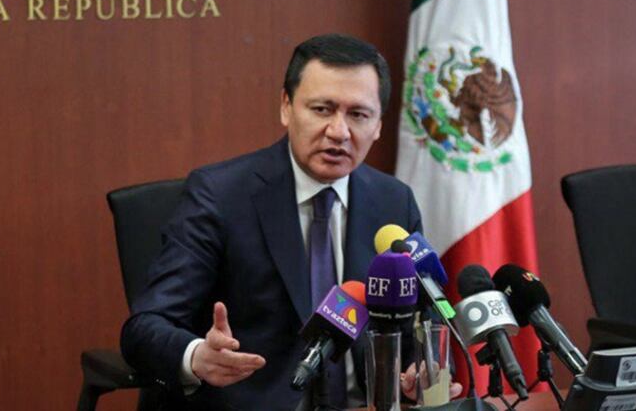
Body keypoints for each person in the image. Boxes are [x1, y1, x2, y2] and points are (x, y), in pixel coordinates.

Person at [120, 34, 423, 410]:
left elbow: (412, 334)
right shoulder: (220, 195)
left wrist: (417, 374)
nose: (339, 132)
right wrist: (197, 355)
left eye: (358, 115)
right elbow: (145, 327)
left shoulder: (394, 202)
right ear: (286, 107)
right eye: (322, 109)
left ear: (378, 124)